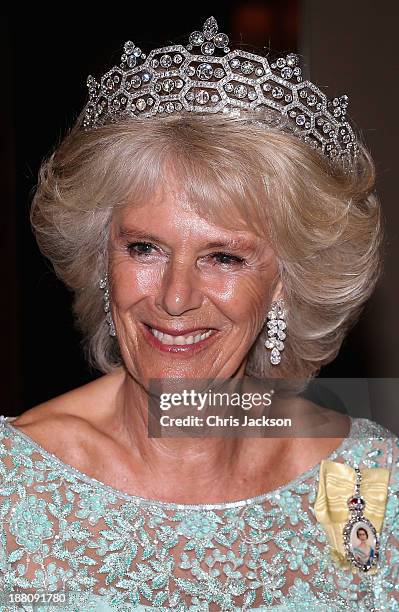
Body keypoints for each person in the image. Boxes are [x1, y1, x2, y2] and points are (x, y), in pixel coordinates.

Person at [0, 16, 398, 612]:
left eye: (224, 256)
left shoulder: (360, 483)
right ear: (101, 260)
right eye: (144, 248)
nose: (175, 297)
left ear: (285, 283)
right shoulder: (14, 488)